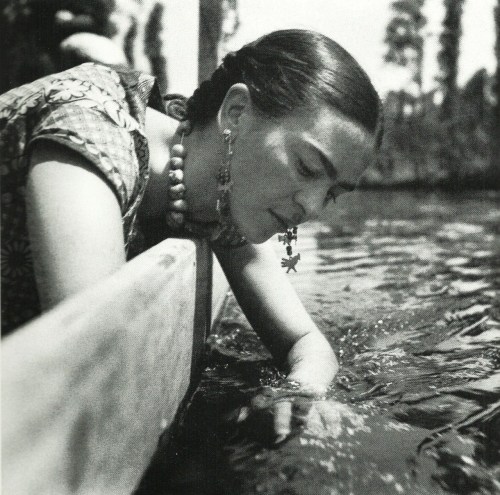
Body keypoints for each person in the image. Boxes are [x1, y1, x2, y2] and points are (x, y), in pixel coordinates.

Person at [1, 29, 383, 440]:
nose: (310, 208)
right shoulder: (89, 133)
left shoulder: (219, 202)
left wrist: (301, 390)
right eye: (307, 168)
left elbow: (306, 342)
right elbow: (97, 369)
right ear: (236, 113)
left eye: (333, 193)